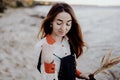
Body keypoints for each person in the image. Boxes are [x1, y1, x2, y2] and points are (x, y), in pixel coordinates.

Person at [35, 2, 95, 80]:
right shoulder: (42, 46)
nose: (63, 28)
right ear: (51, 22)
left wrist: (80, 74)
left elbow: (68, 68)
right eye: (59, 23)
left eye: (68, 24)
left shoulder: (69, 41)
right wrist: (48, 62)